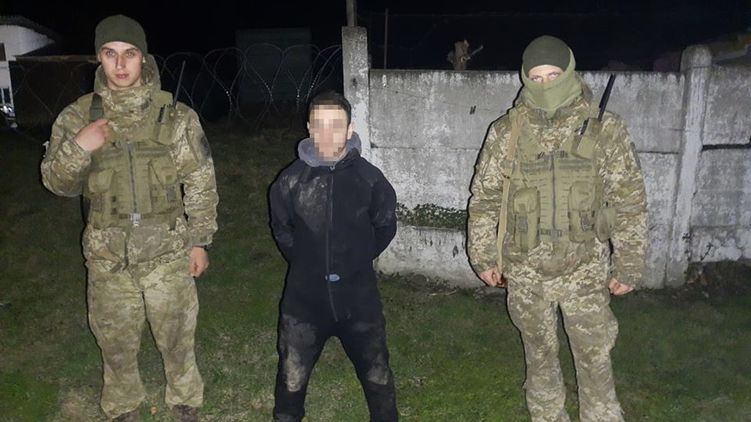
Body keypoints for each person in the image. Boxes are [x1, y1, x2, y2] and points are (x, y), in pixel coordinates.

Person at [40, 15, 218, 422]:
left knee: (178, 338)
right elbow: (56, 183)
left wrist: (200, 241)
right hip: (108, 258)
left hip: (168, 253)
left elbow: (201, 180)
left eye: (130, 54)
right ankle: (123, 406)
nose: (120, 65)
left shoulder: (175, 115)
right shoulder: (77, 117)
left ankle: (185, 399)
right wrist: (80, 147)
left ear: (144, 58)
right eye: (110, 53)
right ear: (98, 58)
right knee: (115, 343)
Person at [467, 35, 647, 421]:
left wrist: (629, 264)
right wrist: (482, 256)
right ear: (525, 78)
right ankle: (548, 416)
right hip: (526, 270)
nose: (545, 84)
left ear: (568, 72)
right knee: (539, 355)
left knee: (595, 355)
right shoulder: (506, 132)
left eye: (553, 75)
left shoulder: (604, 127)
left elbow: (629, 200)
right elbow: (484, 199)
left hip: (585, 268)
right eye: (536, 77)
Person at [268, 91, 399, 422]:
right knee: (291, 378)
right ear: (309, 128)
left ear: (350, 129)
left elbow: (385, 225)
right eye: (320, 125)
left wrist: (355, 260)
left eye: (336, 126)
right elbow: (282, 230)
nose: (327, 135)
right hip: (304, 302)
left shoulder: (370, 180)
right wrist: (307, 264)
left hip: (359, 299)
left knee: (378, 376)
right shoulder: (289, 181)